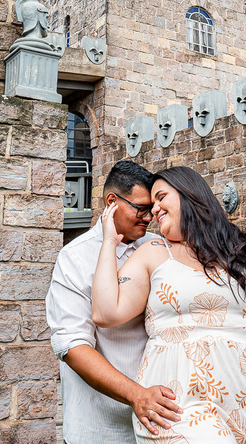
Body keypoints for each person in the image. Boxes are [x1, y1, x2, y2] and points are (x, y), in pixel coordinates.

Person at [93, 166, 246, 443]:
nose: (155, 210)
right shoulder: (154, 253)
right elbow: (105, 312)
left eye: (161, 197)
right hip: (179, 402)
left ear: (190, 195)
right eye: (151, 205)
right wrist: (109, 242)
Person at [46, 160, 184, 443]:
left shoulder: (158, 247)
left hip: (163, 423)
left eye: (152, 209)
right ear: (112, 201)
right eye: (141, 209)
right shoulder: (74, 258)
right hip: (101, 427)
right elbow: (72, 345)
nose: (149, 217)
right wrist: (137, 395)